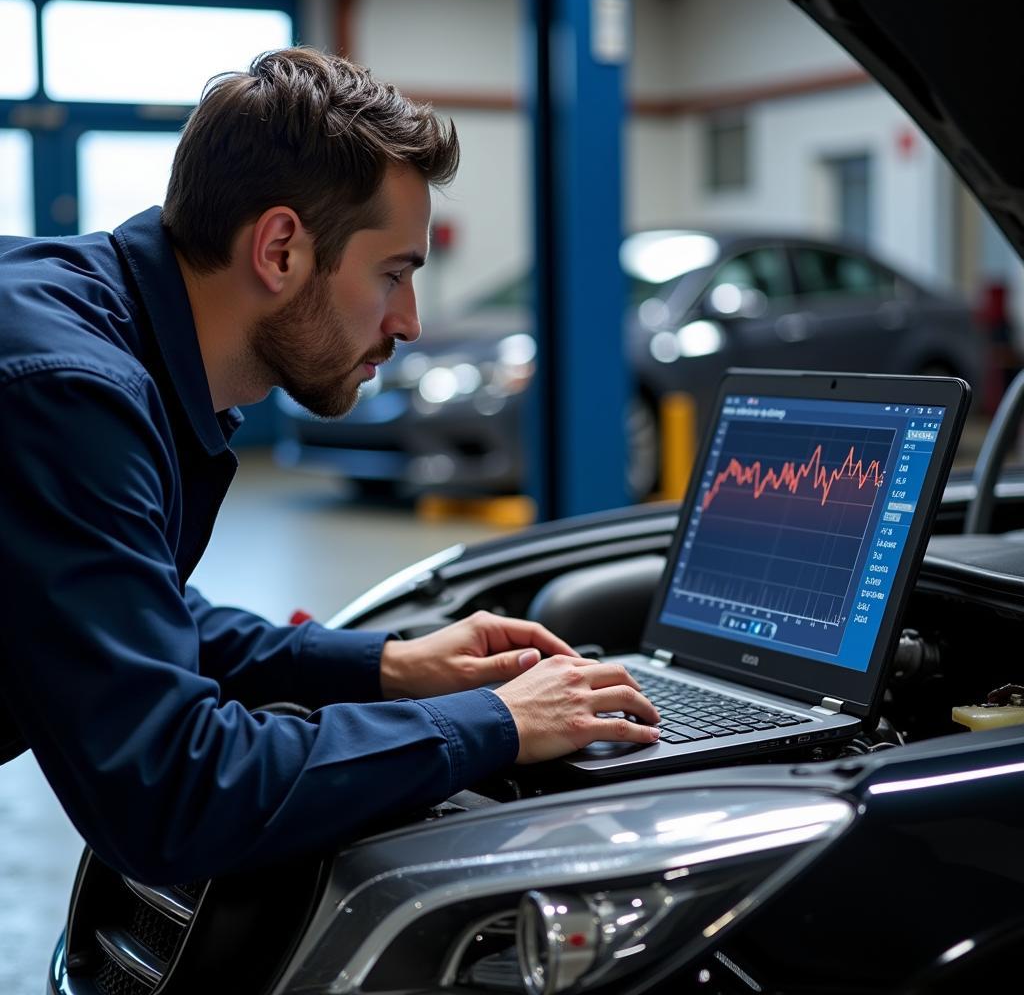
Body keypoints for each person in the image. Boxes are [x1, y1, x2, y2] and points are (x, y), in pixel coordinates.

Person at [0, 47, 659, 885]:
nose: (412, 322)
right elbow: (177, 792)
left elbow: (130, 608)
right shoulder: (68, 394)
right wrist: (492, 721)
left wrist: (386, 666)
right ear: (280, 250)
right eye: (394, 275)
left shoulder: (83, 324)